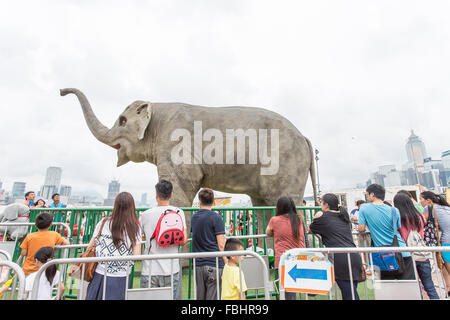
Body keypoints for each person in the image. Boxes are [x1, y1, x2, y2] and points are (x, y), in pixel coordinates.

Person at [85, 192, 141, 300]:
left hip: (100, 273)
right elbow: (137, 255)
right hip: (121, 276)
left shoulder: (103, 222)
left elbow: (90, 246)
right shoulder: (134, 228)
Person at [139, 180, 187, 300]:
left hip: (150, 269)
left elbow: (140, 237)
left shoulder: (145, 215)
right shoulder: (178, 212)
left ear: (156, 196)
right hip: (172, 269)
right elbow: (184, 240)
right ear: (171, 195)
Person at [309, 193, 363, 300]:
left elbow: (310, 229)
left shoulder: (323, 218)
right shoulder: (344, 218)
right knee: (351, 292)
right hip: (354, 257)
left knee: (350, 295)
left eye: (321, 201)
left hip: (340, 259)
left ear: (326, 205)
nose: (320, 203)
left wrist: (316, 218)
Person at [358, 184, 415, 280]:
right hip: (402, 251)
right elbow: (397, 228)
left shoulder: (364, 208)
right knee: (408, 285)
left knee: (387, 287)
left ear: (372, 194)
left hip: (384, 255)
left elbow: (361, 228)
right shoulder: (394, 210)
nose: (367, 197)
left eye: (367, 195)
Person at [393, 192, 439, 299]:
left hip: (408, 255)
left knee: (414, 286)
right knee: (429, 284)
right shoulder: (419, 216)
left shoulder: (399, 217)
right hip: (421, 252)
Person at [266, 197, 305, 300]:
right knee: (293, 292)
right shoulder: (299, 219)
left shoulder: (275, 220)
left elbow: (268, 232)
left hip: (283, 260)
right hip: (299, 258)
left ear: (279, 207)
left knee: (285, 293)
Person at [191, 188, 226, 300]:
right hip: (214, 263)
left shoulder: (194, 217)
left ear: (199, 202)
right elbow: (221, 244)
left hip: (198, 264)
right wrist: (227, 263)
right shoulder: (216, 217)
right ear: (213, 201)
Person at [420, 190, 450, 296]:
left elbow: (421, 223)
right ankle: (448, 290)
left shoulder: (428, 208)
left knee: (446, 267)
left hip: (445, 242)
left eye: (421, 199)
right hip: (446, 241)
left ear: (428, 200)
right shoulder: (446, 207)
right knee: (444, 268)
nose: (420, 202)